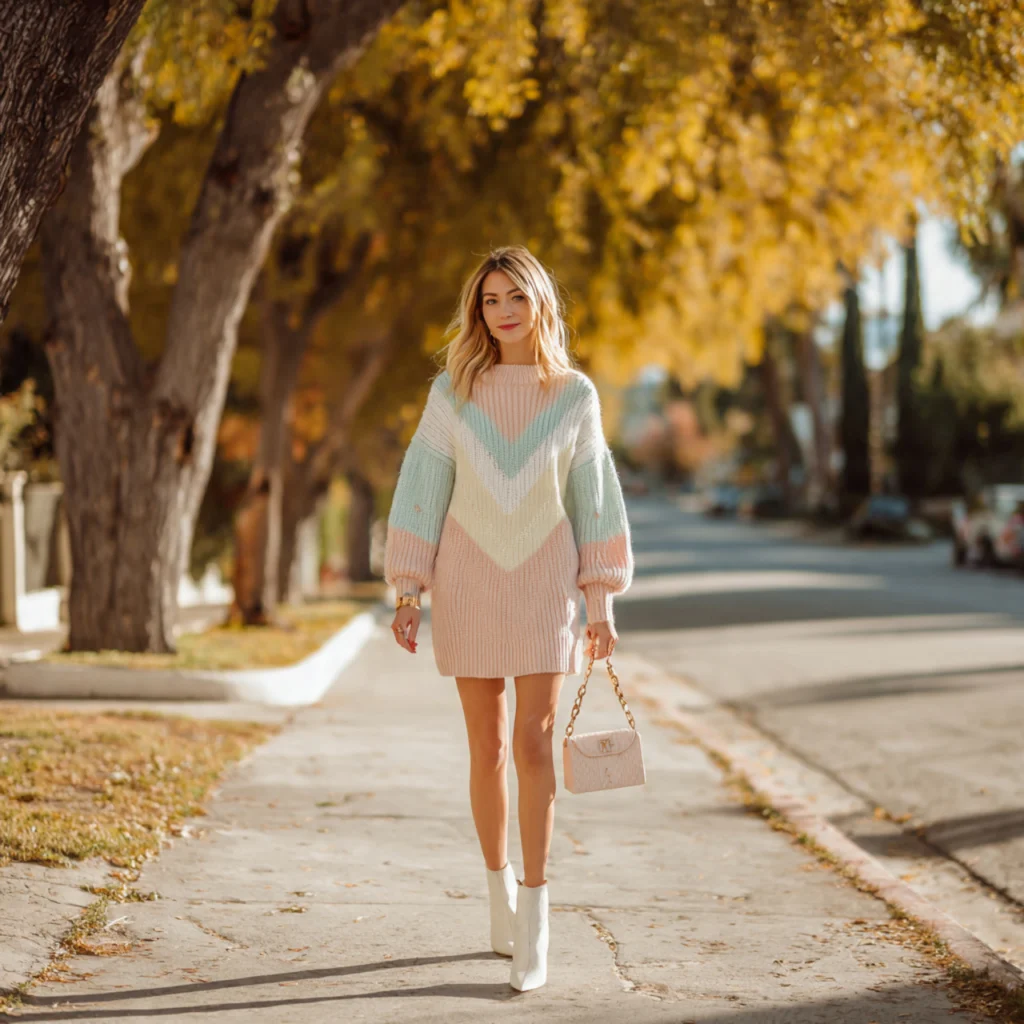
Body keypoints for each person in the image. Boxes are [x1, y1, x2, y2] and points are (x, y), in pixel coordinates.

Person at [382, 245, 634, 992]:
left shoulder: (575, 396)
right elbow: (422, 491)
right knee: (486, 747)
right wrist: (408, 588)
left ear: (539, 304)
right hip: (465, 586)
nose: (503, 311)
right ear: (478, 312)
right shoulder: (450, 395)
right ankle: (495, 891)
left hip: (547, 589)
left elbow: (593, 501)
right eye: (490, 300)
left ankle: (535, 916)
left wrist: (601, 599)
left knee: (533, 746)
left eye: (515, 297)